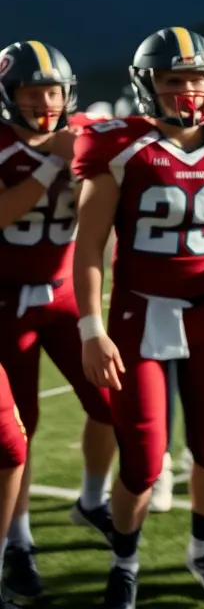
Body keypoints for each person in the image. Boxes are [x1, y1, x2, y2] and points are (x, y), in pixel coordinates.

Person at [73, 28, 204, 608]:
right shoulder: (120, 147)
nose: (188, 91)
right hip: (140, 314)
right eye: (173, 80)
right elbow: (88, 248)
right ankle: (125, 560)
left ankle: (202, 549)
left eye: (197, 79)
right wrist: (92, 328)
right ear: (148, 86)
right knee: (140, 457)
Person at [0, 41, 117, 601]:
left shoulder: (84, 133)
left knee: (113, 404)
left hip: (68, 297)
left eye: (52, 90)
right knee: (19, 430)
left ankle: (91, 499)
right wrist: (53, 160)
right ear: (9, 96)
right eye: (31, 92)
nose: (44, 101)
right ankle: (18, 541)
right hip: (8, 304)